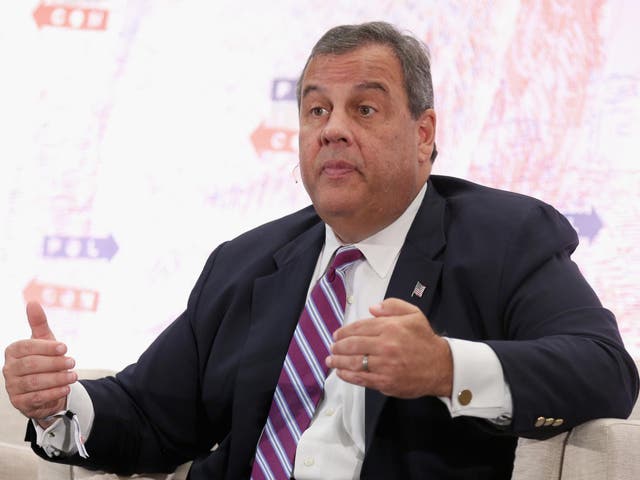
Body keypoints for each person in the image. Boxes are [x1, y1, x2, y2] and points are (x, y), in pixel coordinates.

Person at [3, 21, 638, 480]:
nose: (332, 128)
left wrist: (446, 368)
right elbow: (149, 414)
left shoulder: (502, 239)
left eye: (364, 108)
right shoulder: (248, 262)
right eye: (316, 110)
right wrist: (61, 404)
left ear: (424, 135)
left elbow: (604, 371)